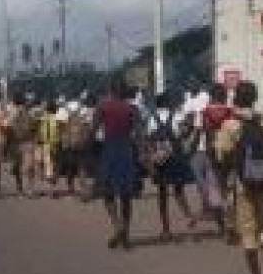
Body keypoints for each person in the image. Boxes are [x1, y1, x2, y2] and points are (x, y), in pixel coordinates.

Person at [215, 81, 263, 274]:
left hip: (244, 185)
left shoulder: (230, 125)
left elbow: (222, 155)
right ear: (254, 98)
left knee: (248, 235)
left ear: (236, 98)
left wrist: (224, 184)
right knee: (262, 227)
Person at [92, 78, 142, 250]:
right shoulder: (132, 109)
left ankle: (117, 226)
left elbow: (93, 130)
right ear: (125, 91)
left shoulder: (102, 107)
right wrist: (144, 155)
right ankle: (125, 233)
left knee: (108, 193)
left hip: (109, 150)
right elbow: (140, 135)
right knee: (126, 195)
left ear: (111, 90)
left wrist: (87, 148)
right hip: (127, 151)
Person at [146, 92, 196, 241]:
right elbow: (184, 133)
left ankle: (166, 228)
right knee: (178, 189)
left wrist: (152, 156)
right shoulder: (176, 116)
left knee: (162, 194)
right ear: (168, 103)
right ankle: (188, 214)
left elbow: (149, 138)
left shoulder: (152, 119)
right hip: (175, 156)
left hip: (160, 159)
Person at [189, 83, 233, 237]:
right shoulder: (230, 112)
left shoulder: (205, 112)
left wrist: (192, 150)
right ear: (224, 96)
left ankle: (224, 225)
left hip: (211, 154)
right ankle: (227, 220)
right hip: (228, 154)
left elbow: (202, 133)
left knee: (215, 190)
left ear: (211, 96)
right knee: (225, 188)